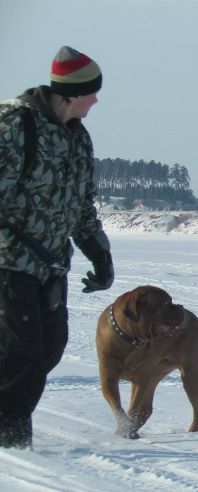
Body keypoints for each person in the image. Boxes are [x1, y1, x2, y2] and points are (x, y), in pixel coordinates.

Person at [0, 46, 114, 448]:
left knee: (49, 348)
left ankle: (10, 426)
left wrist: (98, 251)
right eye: (92, 92)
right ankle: (10, 439)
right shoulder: (15, 124)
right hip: (8, 262)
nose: (97, 100)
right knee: (21, 352)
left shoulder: (78, 137)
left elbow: (81, 202)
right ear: (72, 92)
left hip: (51, 265)